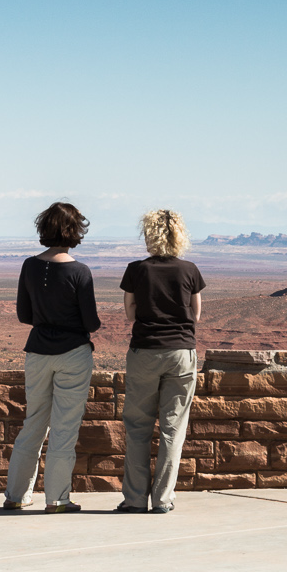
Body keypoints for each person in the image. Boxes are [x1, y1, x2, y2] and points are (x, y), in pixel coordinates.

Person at [6, 201, 101, 513]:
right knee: (64, 427)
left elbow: (24, 314)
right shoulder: (79, 272)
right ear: (75, 231)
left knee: (33, 422)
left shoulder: (29, 266)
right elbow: (91, 323)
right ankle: (57, 499)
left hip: (37, 351)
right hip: (73, 354)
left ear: (44, 228)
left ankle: (17, 495)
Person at [117, 208, 204, 513]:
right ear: (179, 235)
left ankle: (134, 499)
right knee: (172, 428)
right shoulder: (189, 270)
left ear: (149, 235)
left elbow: (130, 312)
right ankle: (163, 499)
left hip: (144, 351)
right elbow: (195, 315)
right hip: (181, 353)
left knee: (138, 427)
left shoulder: (136, 270)